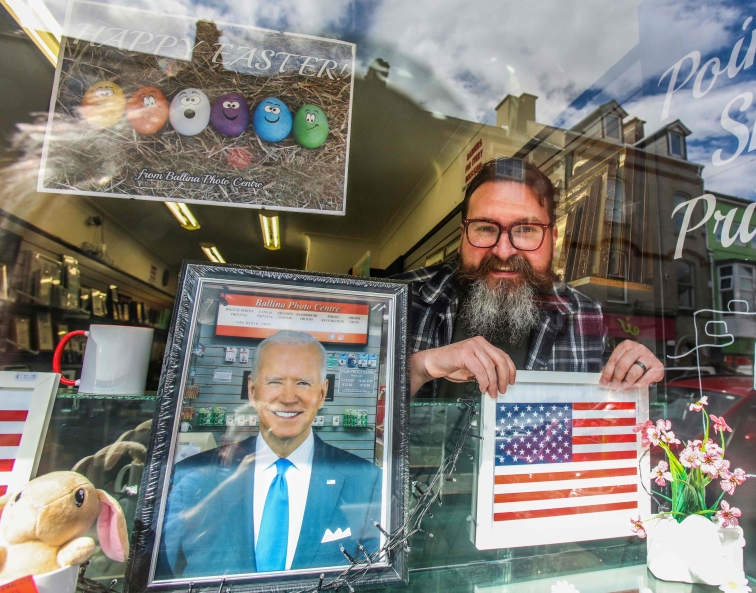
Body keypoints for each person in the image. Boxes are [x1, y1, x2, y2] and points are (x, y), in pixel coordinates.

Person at [397, 158, 665, 398]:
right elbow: (357, 414)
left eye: (526, 229)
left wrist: (636, 371)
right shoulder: (402, 301)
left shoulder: (583, 313)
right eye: (485, 228)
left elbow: (604, 415)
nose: (503, 250)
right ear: (462, 237)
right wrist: (420, 367)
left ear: (553, 241)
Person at [156, 331, 381, 579]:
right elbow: (163, 574)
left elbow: (374, 579)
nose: (288, 398)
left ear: (322, 393)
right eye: (275, 381)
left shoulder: (366, 480)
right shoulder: (192, 477)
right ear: (252, 391)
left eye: (303, 383)